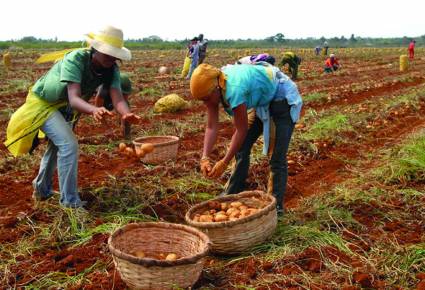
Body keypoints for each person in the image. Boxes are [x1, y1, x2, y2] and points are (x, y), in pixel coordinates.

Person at [4, 26, 140, 208]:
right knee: (69, 145)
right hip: (45, 104)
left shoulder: (111, 69)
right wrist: (93, 110)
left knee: (56, 147)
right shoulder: (76, 59)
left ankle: (41, 189)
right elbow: (74, 98)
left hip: (66, 107)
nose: (111, 57)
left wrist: (126, 113)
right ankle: (70, 203)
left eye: (114, 54)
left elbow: (118, 97)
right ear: (96, 49)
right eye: (108, 53)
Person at [190, 63, 302, 215]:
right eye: (202, 100)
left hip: (281, 98)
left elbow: (241, 130)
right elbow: (211, 127)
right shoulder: (214, 88)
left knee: (277, 157)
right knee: (241, 148)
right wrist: (204, 157)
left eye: (207, 98)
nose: (206, 103)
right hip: (262, 101)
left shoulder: (234, 90)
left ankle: (276, 209)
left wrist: (224, 162)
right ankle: (232, 193)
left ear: (216, 88)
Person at [94, 72, 133, 139]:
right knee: (103, 110)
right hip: (106, 98)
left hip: (114, 98)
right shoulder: (103, 91)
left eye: (125, 95)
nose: (124, 96)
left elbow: (124, 103)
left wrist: (123, 124)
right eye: (122, 94)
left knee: (127, 114)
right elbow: (98, 109)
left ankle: (126, 136)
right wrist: (106, 128)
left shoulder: (124, 90)